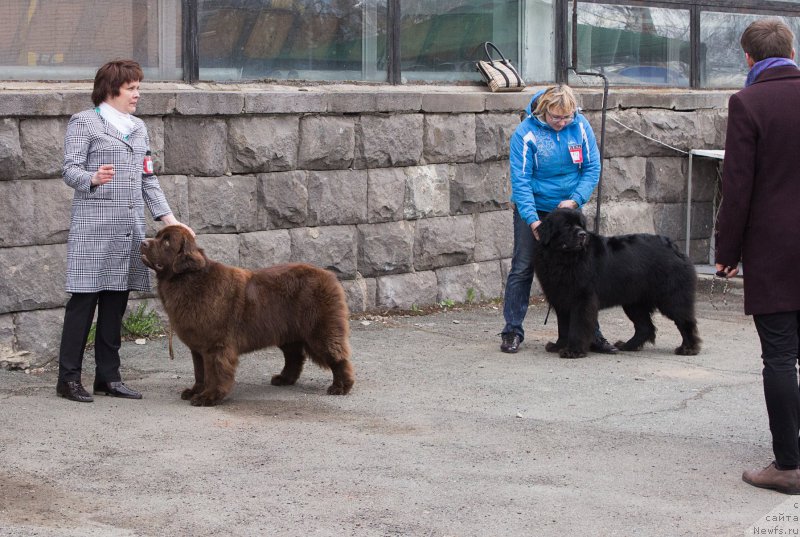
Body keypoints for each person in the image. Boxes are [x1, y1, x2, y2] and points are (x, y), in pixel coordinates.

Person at [56, 59, 193, 403]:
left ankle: (109, 377)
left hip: (127, 231)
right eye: (131, 88)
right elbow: (69, 169)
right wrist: (91, 177)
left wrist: (169, 220)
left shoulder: (138, 128)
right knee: (83, 303)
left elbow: (148, 178)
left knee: (116, 303)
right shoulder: (85, 123)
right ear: (111, 89)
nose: (137, 94)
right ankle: (68, 379)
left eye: (137, 88)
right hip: (93, 229)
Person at [715, 18, 800, 494]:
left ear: (748, 58)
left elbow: (738, 185)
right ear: (791, 49)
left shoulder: (748, 102)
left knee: (781, 357)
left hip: (775, 249)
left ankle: (788, 465)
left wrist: (726, 253)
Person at [500, 84, 617, 355]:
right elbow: (521, 182)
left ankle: (591, 334)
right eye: (556, 117)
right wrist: (533, 221)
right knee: (523, 266)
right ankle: (512, 330)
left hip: (569, 210)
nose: (562, 123)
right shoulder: (525, 134)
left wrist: (576, 199)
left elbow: (592, 167)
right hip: (537, 208)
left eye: (567, 117)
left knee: (583, 272)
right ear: (544, 111)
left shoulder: (580, 126)